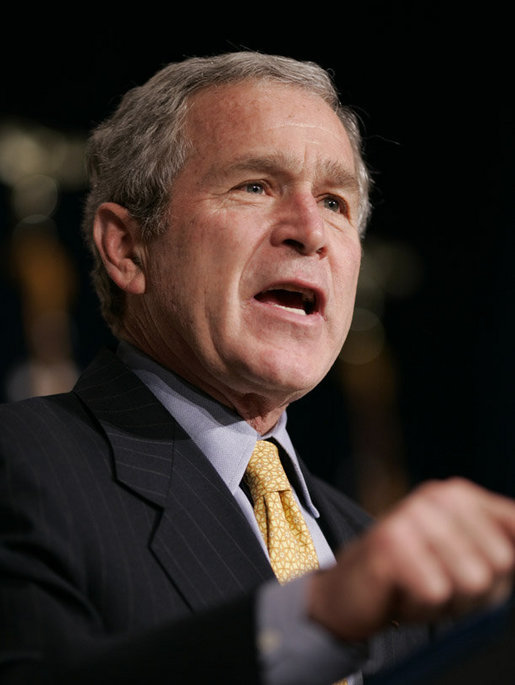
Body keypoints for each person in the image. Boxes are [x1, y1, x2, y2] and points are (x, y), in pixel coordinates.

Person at [1, 51, 514, 685]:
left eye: (334, 201)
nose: (310, 231)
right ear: (129, 248)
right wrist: (321, 616)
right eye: (255, 186)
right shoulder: (23, 466)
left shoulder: (377, 553)